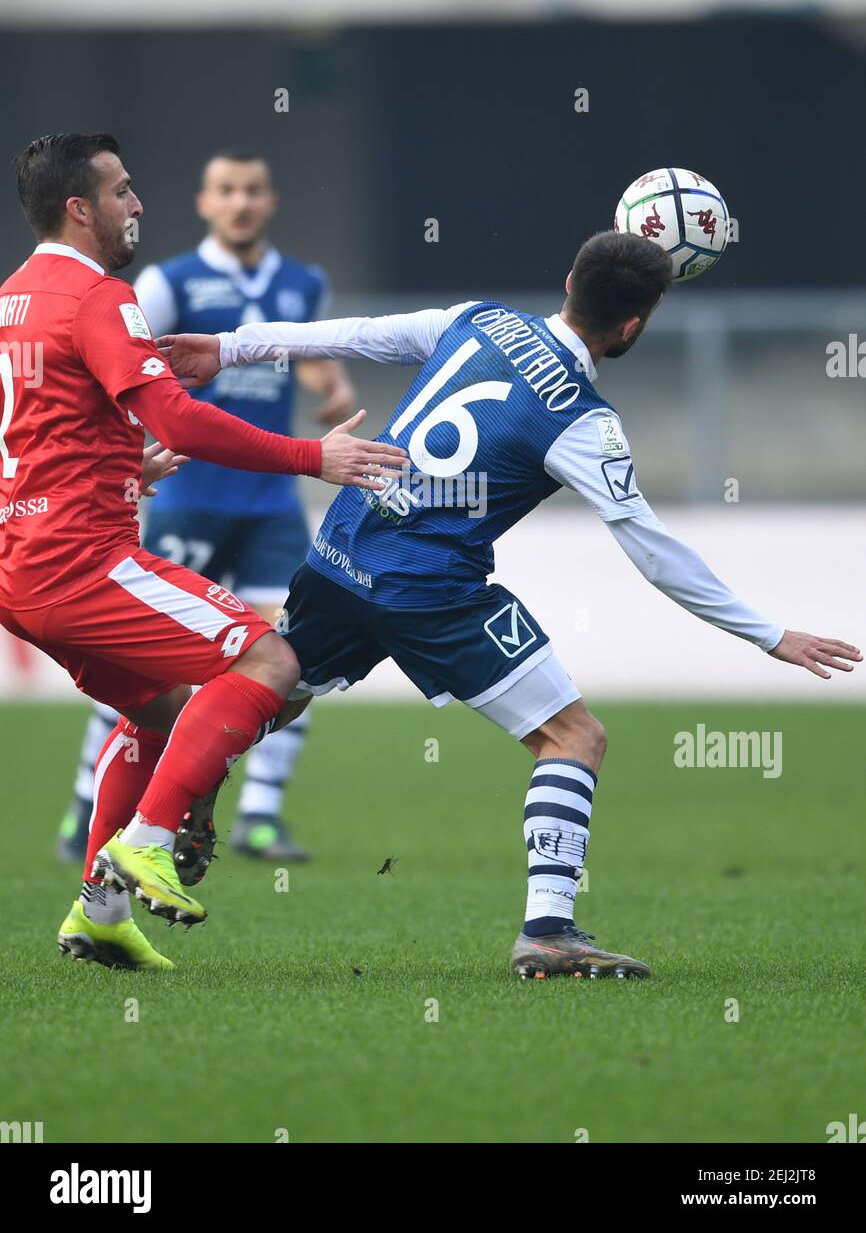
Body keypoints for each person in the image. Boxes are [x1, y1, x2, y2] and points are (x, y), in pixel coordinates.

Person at [161, 229, 861, 979]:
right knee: (574, 738)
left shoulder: (479, 319)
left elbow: (360, 336)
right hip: (430, 589)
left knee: (278, 684)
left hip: (343, 544)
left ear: (567, 280)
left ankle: (181, 794)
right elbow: (654, 550)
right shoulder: (583, 422)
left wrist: (230, 346)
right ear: (634, 326)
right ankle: (549, 932)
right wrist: (768, 634)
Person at [0, 132, 403, 971]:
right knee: (269, 663)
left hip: (22, 563)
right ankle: (147, 843)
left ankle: (100, 913)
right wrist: (312, 456)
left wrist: (117, 466)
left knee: (161, 709)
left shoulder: (15, 298)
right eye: (121, 191)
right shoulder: (99, 297)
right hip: (78, 560)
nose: (137, 204)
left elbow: (33, 429)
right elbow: (179, 416)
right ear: (80, 209)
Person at [57, 149, 354, 867]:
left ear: (270, 200)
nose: (241, 202)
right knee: (144, 669)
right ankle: (86, 803)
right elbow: (119, 366)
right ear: (205, 203)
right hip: (189, 495)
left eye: (252, 190)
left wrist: (330, 385)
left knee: (292, 655)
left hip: (269, 507)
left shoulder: (301, 282)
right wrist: (124, 456)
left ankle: (258, 813)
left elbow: (299, 351)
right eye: (227, 190)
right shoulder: (165, 282)